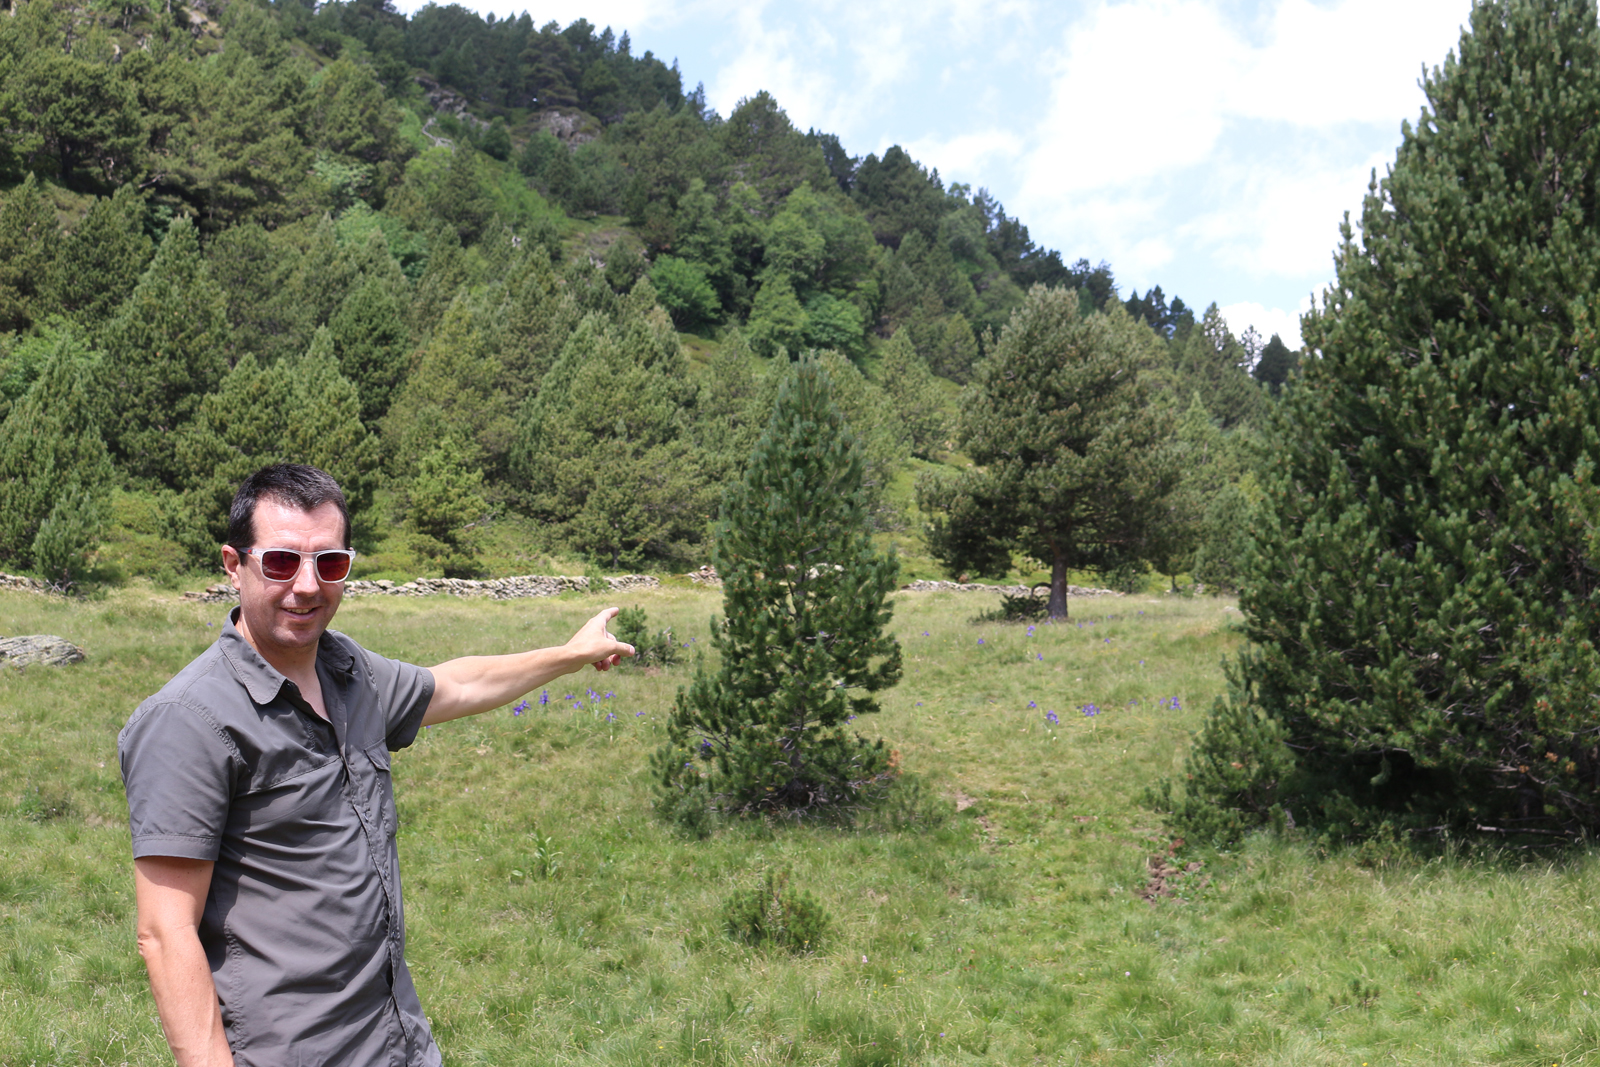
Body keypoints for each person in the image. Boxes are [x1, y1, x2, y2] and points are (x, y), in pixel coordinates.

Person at [119, 464, 634, 1067]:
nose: (307, 586)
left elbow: (453, 685)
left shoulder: (347, 671)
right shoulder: (189, 719)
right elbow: (164, 933)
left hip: (395, 1038)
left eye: (330, 563)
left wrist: (569, 655)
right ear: (234, 565)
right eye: (281, 562)